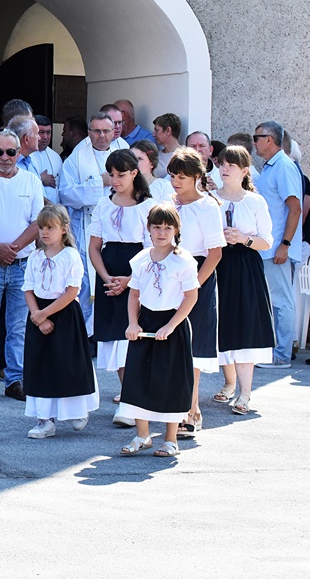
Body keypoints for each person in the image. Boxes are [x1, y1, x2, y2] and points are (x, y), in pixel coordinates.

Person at [118, 204, 199, 458]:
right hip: (145, 324)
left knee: (170, 380)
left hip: (172, 323)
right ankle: (142, 435)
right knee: (138, 377)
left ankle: (171, 439)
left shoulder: (184, 260)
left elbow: (190, 297)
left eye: (167, 227)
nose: (162, 232)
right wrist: (133, 323)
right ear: (149, 229)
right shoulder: (141, 259)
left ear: (176, 229)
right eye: (156, 227)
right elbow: (134, 294)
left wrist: (171, 325)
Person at [0, 130, 45, 401]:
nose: (4, 158)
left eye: (10, 152)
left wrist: (12, 249)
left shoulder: (30, 181)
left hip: (22, 263)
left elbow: (39, 221)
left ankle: (16, 380)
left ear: (19, 152)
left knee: (18, 326)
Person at [87, 150, 154, 425]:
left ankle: (133, 401)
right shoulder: (103, 204)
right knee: (115, 340)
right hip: (108, 276)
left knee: (131, 339)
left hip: (136, 275)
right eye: (111, 175)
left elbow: (151, 250)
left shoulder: (147, 206)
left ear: (134, 174)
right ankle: (128, 398)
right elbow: (94, 247)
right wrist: (106, 278)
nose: (115, 180)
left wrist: (129, 280)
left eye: (121, 175)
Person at [22, 204, 98, 438]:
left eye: (50, 227)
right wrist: (37, 315)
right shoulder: (35, 256)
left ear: (63, 229)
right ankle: (45, 419)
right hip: (38, 313)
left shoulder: (70, 256)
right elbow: (29, 288)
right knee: (41, 365)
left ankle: (76, 410)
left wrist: (46, 314)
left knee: (67, 363)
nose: (45, 232)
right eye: (42, 227)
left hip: (63, 313)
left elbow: (71, 291)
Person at [167, 147, 225, 438]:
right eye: (173, 175)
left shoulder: (208, 206)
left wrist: (195, 287)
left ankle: (190, 410)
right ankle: (174, 409)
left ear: (197, 177)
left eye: (182, 176)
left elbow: (215, 254)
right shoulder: (168, 204)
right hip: (169, 274)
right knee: (171, 344)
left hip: (198, 274)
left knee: (194, 346)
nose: (176, 181)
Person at [213, 146, 274, 414]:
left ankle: (245, 393)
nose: (225, 169)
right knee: (219, 322)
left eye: (231, 165)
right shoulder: (210, 199)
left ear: (244, 171)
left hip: (245, 264)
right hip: (217, 263)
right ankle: (229, 383)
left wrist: (243, 239)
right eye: (222, 164)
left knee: (245, 323)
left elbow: (266, 242)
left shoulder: (255, 201)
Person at [59, 113, 119, 333]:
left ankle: (106, 331)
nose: (101, 136)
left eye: (106, 131)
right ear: (89, 133)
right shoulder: (76, 158)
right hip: (86, 224)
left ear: (113, 132)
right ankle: (85, 334)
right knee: (84, 282)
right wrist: (98, 183)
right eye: (96, 131)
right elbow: (66, 194)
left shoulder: (122, 154)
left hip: (115, 227)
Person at [253, 121, 302, 369]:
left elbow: (295, 208)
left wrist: (285, 244)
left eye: (257, 137)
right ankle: (275, 351)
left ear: (269, 139)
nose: (254, 142)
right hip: (268, 248)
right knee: (274, 302)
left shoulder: (283, 166)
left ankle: (281, 355)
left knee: (281, 302)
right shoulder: (271, 167)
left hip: (277, 249)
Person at [30, 114, 62, 203]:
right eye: (41, 132)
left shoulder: (55, 157)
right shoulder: (25, 154)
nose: (45, 137)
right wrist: (40, 178)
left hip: (54, 211)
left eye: (48, 132)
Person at [152, 113, 182, 178]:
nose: (153, 134)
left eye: (157, 130)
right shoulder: (156, 156)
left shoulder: (185, 156)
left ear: (168, 131)